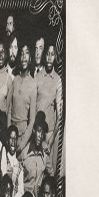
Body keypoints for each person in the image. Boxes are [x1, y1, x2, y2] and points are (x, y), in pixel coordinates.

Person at [34, 42, 63, 176]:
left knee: (49, 173)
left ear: (55, 57)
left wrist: (51, 141)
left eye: (53, 54)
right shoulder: (38, 77)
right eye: (48, 54)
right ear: (44, 56)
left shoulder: (57, 80)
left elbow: (60, 115)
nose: (50, 57)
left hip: (50, 133)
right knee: (38, 170)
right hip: (37, 133)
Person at [7, 39, 37, 154]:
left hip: (23, 139)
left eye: (27, 53)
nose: (24, 57)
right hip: (11, 136)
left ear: (30, 58)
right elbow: (9, 110)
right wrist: (9, 135)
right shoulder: (15, 81)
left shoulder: (33, 85)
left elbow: (32, 120)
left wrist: (22, 144)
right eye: (22, 53)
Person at [21, 111, 49, 197]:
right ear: (33, 131)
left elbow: (51, 175)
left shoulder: (45, 156)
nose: (40, 135)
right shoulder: (24, 154)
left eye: (42, 132)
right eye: (38, 131)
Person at [5, 125, 24, 197]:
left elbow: (21, 191)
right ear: (7, 141)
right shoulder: (3, 160)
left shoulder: (19, 167)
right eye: (11, 138)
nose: (13, 141)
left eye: (15, 138)